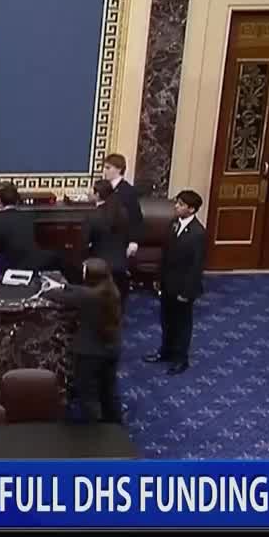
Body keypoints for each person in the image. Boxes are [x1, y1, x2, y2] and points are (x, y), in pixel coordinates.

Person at [43, 258, 123, 423]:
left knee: (87, 393)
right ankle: (114, 425)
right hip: (111, 348)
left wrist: (50, 289)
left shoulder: (88, 296)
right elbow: (81, 291)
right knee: (108, 389)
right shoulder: (111, 290)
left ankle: (95, 430)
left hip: (89, 353)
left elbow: (53, 296)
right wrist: (66, 286)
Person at [143, 190, 206, 376]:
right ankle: (165, 351)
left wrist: (187, 292)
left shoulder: (198, 233)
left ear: (191, 209)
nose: (176, 206)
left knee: (182, 324)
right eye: (176, 203)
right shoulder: (173, 224)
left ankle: (180, 359)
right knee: (167, 320)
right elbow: (165, 255)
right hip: (167, 283)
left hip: (183, 288)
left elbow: (196, 267)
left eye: (180, 204)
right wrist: (157, 278)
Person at [0, 184, 53, 271]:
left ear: (0, 201)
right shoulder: (28, 216)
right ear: (18, 201)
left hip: (8, 266)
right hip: (32, 263)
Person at [85, 180, 131, 307]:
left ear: (98, 194)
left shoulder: (93, 216)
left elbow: (85, 242)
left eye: (91, 190)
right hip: (121, 266)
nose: (89, 193)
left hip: (101, 268)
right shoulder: (123, 212)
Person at [102, 153, 144, 260]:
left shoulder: (128, 191)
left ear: (119, 169)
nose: (104, 171)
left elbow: (136, 217)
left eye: (108, 168)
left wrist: (133, 241)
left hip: (120, 242)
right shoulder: (104, 188)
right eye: (104, 168)